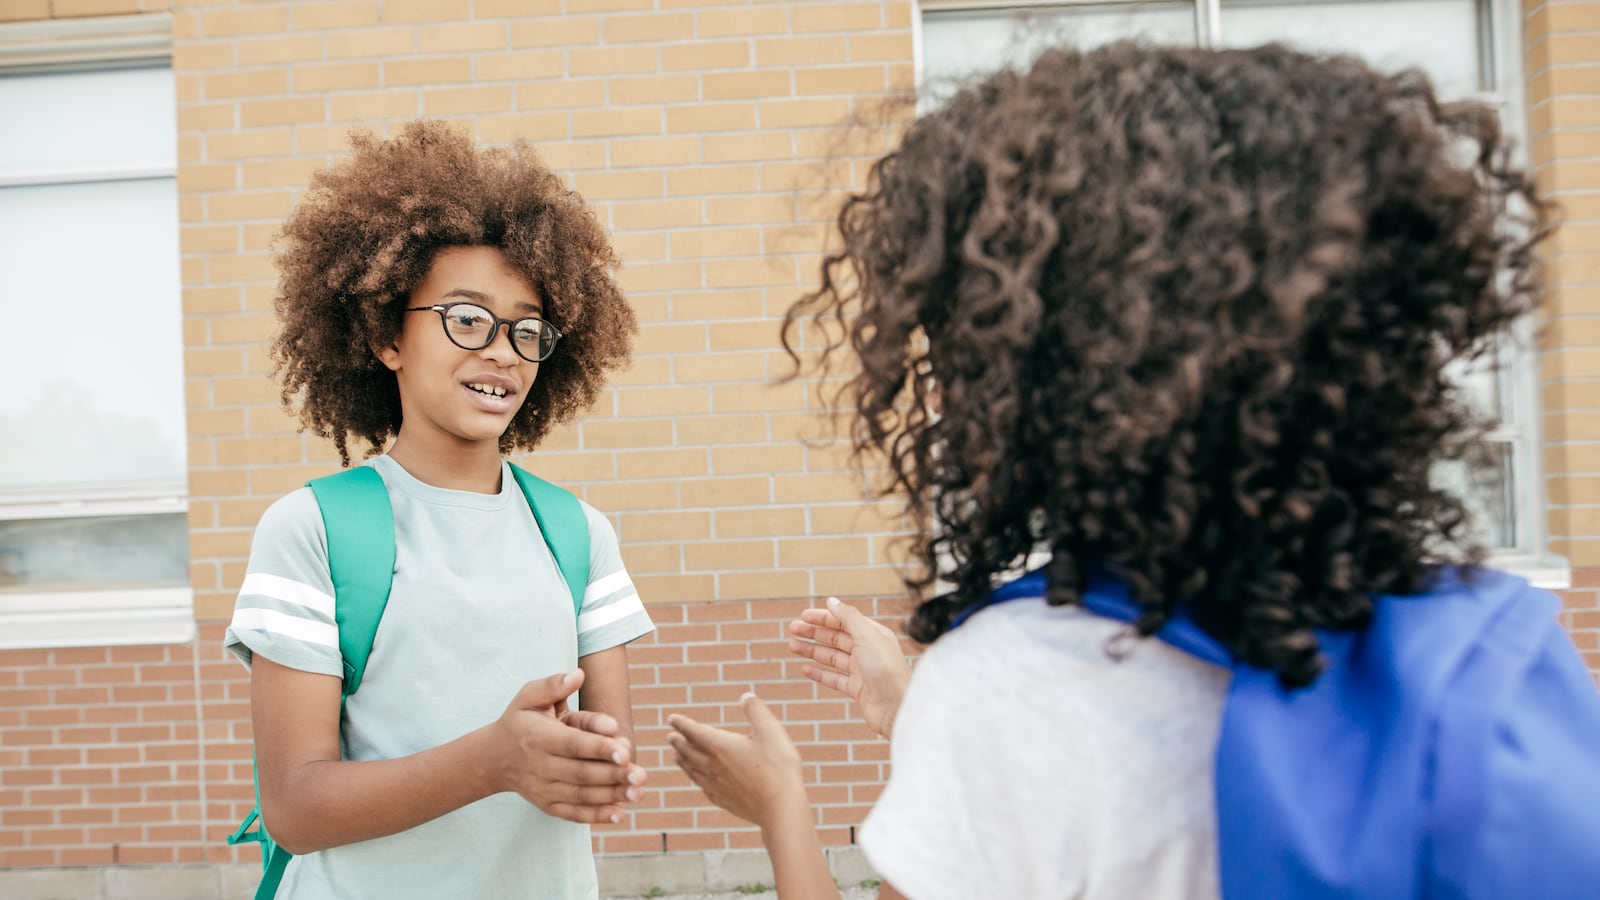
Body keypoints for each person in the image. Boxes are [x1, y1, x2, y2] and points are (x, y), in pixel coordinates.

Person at [667, 42, 1600, 899]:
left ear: (1041, 372)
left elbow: (1066, 766)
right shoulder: (1484, 647)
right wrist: (905, 705)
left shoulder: (1008, 687)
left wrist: (781, 799)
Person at [223, 120, 654, 899]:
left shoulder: (580, 535)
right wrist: (493, 760)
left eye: (527, 329)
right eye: (466, 318)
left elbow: (604, 766)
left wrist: (599, 767)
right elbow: (294, 807)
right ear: (388, 334)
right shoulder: (315, 530)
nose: (500, 350)